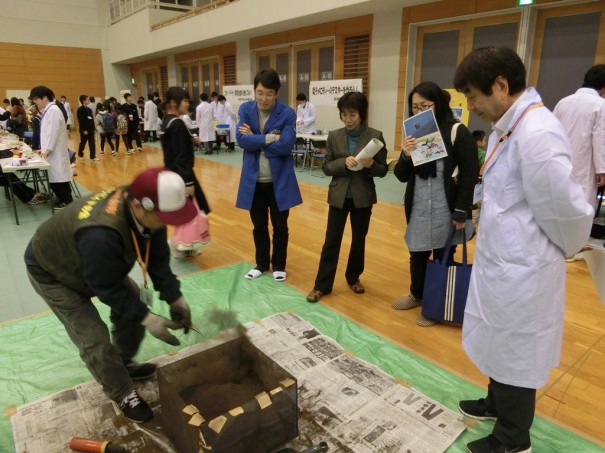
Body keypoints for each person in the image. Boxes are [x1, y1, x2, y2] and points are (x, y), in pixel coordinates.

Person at [452, 46, 594, 453]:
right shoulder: (507, 126)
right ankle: (497, 404)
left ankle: (513, 438)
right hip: (503, 261)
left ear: (501, 85)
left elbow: (564, 211)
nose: (472, 106)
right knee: (498, 336)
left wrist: (553, 248)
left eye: (474, 96)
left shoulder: (537, 133)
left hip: (524, 267)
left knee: (515, 346)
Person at [24, 167, 198, 424]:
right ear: (140, 206)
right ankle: (122, 392)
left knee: (135, 303)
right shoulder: (100, 233)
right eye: (164, 217)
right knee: (94, 338)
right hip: (52, 270)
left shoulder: (150, 211)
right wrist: (149, 319)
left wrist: (175, 298)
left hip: (91, 262)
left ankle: (123, 363)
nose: (167, 223)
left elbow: (158, 261)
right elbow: (106, 287)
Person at [391, 81, 478, 327]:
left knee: (443, 255)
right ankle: (417, 294)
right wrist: (406, 155)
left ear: (438, 104)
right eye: (415, 108)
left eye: (425, 106)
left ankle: (436, 304)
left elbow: (470, 174)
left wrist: (462, 211)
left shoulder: (456, 131)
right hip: (419, 205)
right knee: (417, 253)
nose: (419, 113)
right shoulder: (413, 134)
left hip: (445, 206)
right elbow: (400, 174)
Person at [306, 91, 388, 303]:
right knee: (331, 240)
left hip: (362, 197)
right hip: (339, 196)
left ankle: (354, 277)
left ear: (361, 114)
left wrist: (371, 165)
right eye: (344, 114)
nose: (348, 119)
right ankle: (321, 285)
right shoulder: (334, 136)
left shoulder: (375, 136)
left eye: (352, 114)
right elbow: (326, 167)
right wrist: (343, 163)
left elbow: (383, 169)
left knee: (359, 240)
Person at [236, 69, 302, 281]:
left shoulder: (287, 113)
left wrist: (255, 139)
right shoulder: (246, 109)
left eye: (269, 93)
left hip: (278, 181)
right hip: (254, 180)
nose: (264, 98)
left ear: (277, 93)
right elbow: (241, 140)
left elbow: (285, 146)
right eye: (260, 92)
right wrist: (269, 138)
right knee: (259, 225)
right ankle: (262, 263)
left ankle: (279, 265)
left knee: (280, 226)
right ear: (254, 91)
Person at [161, 87, 211, 258]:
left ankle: (184, 244)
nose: (188, 104)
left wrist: (190, 140)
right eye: (185, 101)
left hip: (172, 174)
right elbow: (181, 157)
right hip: (182, 175)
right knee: (190, 211)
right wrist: (188, 182)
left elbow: (174, 148)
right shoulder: (177, 124)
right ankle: (182, 245)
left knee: (185, 210)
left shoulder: (167, 121)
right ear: (174, 103)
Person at [31, 85, 73, 207]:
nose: (35, 102)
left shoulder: (53, 110)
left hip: (54, 151)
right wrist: (43, 149)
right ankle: (62, 198)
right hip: (52, 151)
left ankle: (67, 201)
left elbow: (52, 132)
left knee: (58, 178)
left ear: (44, 98)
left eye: (36, 99)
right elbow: (47, 132)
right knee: (55, 178)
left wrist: (47, 150)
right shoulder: (49, 110)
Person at [77, 94, 97, 161]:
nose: (88, 100)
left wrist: (93, 128)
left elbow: (92, 119)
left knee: (92, 143)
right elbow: (81, 121)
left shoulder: (89, 109)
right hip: (84, 130)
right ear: (83, 100)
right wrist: (83, 130)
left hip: (90, 129)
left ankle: (92, 156)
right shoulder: (80, 110)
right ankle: (80, 155)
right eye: (87, 99)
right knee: (83, 143)